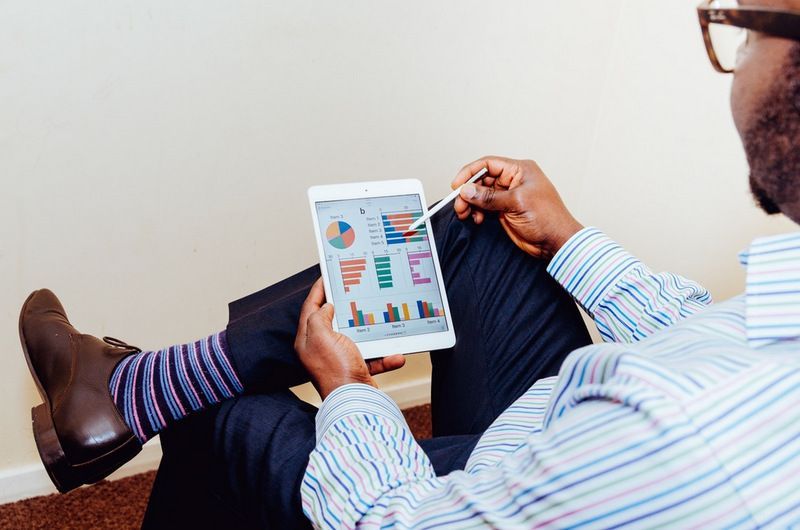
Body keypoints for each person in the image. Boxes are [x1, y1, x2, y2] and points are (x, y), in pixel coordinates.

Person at [17, 0, 800, 527]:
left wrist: (350, 392)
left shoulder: (691, 436)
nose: (737, 58)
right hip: (558, 439)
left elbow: (398, 521)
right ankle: (121, 393)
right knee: (480, 229)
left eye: (748, 28)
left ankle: (137, 393)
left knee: (228, 415)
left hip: (484, 490)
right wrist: (569, 237)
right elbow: (712, 336)